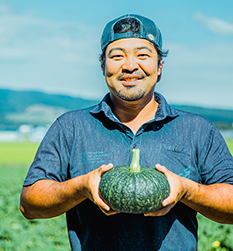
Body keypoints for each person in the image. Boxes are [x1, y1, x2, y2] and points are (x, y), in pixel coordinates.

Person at [20, 14, 233, 250]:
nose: (130, 65)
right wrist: (81, 187)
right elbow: (29, 205)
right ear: (103, 66)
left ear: (160, 65)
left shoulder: (197, 129)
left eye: (143, 54)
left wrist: (186, 190)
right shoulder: (70, 127)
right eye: (117, 55)